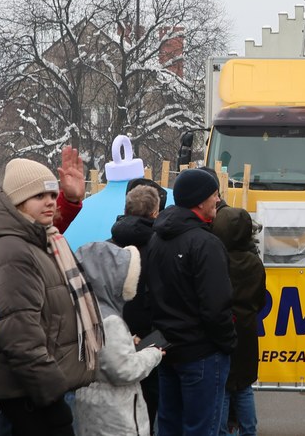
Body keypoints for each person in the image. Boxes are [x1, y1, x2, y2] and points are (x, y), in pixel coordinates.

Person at [0, 158, 102, 435]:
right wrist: (51, 394)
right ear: (18, 202)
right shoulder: (12, 249)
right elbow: (18, 332)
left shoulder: (44, 239)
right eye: (39, 195)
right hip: (33, 393)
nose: (50, 202)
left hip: (43, 386)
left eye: (53, 195)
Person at [145, 168, 237, 436]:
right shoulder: (206, 243)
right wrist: (228, 343)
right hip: (201, 354)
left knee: (169, 427)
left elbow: (150, 295)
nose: (218, 200)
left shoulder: (156, 237)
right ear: (199, 201)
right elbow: (216, 306)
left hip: (167, 349)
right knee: (201, 429)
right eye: (215, 195)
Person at [72, 241, 164, 436]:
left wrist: (126, 343)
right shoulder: (110, 321)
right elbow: (123, 370)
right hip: (115, 412)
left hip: (89, 403)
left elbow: (100, 353)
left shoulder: (84, 310)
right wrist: (153, 354)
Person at [210, 174, 266, 436]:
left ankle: (221, 432)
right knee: (244, 387)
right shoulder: (254, 262)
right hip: (247, 329)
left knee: (222, 388)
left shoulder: (217, 259)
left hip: (222, 328)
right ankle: (249, 431)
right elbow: (260, 298)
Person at [110, 179, 165, 426]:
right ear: (155, 213)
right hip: (151, 339)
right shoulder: (160, 248)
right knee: (148, 410)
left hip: (113, 337)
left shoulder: (108, 246)